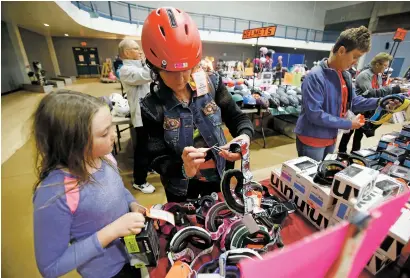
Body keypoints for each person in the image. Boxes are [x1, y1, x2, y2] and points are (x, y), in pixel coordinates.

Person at [139, 7, 254, 202]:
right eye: (170, 72)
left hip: (220, 177)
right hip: (182, 189)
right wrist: (182, 168)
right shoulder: (152, 106)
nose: (180, 79)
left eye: (187, 69)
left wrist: (243, 138)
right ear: (155, 68)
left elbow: (237, 118)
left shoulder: (211, 84)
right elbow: (155, 157)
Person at [33, 90, 146, 278]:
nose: (113, 136)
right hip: (105, 273)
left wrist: (132, 204)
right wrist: (112, 231)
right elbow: (50, 266)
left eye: (111, 127)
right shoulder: (54, 194)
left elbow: (119, 190)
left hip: (133, 256)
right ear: (73, 144)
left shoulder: (106, 158)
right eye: (104, 133)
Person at [294, 26, 401, 161]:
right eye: (355, 56)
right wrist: (348, 124)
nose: (355, 62)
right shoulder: (315, 76)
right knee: (310, 177)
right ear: (341, 51)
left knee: (323, 172)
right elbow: (315, 114)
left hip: (331, 136)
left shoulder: (345, 75)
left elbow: (354, 101)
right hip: (312, 139)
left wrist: (380, 102)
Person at [338, 52, 405, 153]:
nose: (385, 69)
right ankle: (341, 152)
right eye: (385, 66)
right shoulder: (365, 75)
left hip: (367, 108)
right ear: (377, 64)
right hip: (357, 107)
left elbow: (379, 90)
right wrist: (392, 90)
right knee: (348, 132)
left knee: (359, 134)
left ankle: (355, 153)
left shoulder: (377, 76)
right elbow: (371, 92)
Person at [118, 39, 156, 194]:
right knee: (142, 148)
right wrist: (153, 60)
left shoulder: (139, 65)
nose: (140, 51)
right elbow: (145, 75)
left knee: (152, 144)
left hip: (151, 112)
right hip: (141, 116)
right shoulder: (126, 70)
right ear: (126, 53)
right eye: (136, 49)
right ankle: (139, 181)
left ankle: (149, 167)